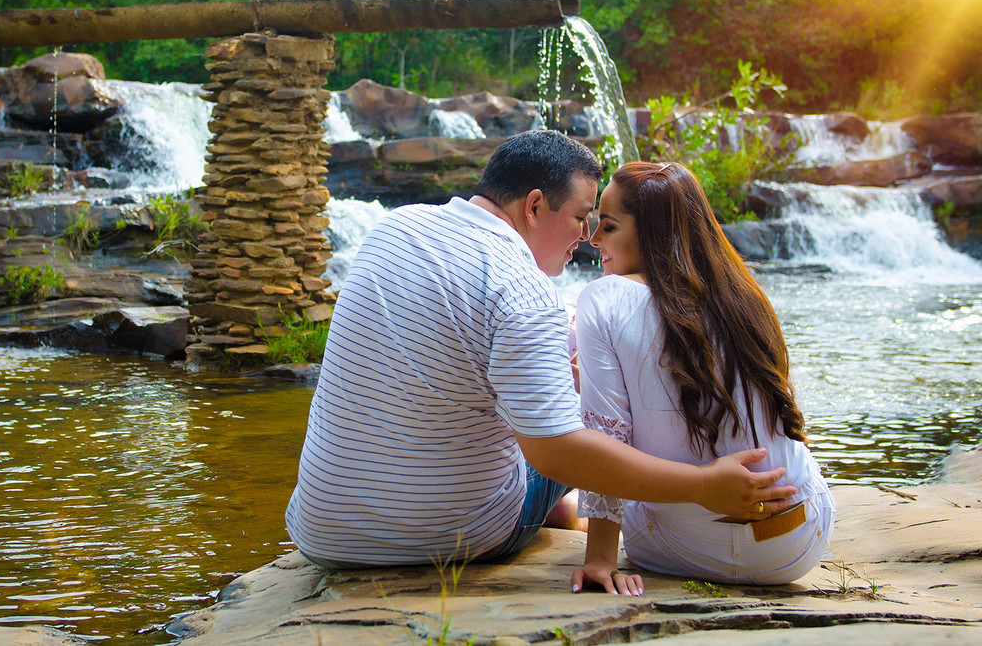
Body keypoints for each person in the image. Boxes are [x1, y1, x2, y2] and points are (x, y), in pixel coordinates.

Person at [285, 131, 796, 571]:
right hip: (448, 540)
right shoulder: (521, 289)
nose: (588, 238)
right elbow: (558, 454)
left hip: (319, 534)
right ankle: (558, 513)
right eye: (579, 217)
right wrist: (702, 486)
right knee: (590, 405)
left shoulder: (395, 228)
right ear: (533, 206)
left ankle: (557, 509)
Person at [570, 161, 835, 596]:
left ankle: (563, 512)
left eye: (609, 226)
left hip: (680, 549)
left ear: (652, 232)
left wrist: (600, 558)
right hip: (795, 545)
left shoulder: (604, 298)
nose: (593, 239)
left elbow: (607, 435)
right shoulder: (743, 294)